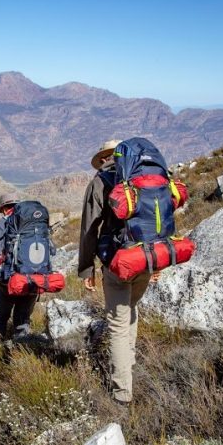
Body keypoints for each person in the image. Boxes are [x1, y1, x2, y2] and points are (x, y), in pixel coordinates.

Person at [79, 139, 157, 406]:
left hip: (119, 261)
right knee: (130, 310)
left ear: (103, 159)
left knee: (117, 324)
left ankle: (122, 394)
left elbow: (89, 229)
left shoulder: (101, 181)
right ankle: (129, 366)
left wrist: (86, 268)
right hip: (148, 257)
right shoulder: (145, 175)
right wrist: (156, 263)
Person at [0, 193, 38, 341]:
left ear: (4, 209)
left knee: (0, 317)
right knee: (22, 320)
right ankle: (22, 351)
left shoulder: (2, 223)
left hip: (9, 280)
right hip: (32, 279)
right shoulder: (32, 222)